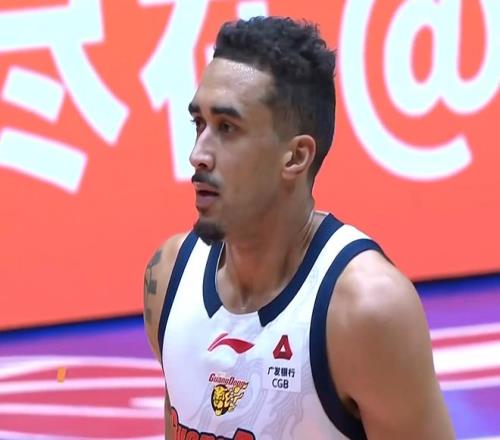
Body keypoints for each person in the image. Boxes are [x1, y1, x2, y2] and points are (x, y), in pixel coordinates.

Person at [143, 16, 455, 440]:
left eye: (227, 129)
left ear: (295, 157)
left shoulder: (366, 311)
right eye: (199, 124)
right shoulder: (168, 278)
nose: (198, 154)